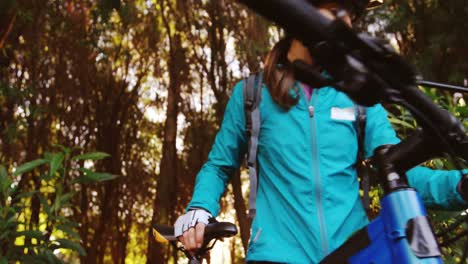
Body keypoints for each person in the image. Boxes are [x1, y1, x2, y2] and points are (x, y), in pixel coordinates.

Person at [174, 0, 468, 263]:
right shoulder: (252, 94)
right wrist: (199, 210)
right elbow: (219, 165)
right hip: (276, 256)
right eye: (337, 11)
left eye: (351, 13)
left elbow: (396, 168)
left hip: (355, 252)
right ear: (300, 15)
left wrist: (459, 186)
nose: (348, 24)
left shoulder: (359, 97)